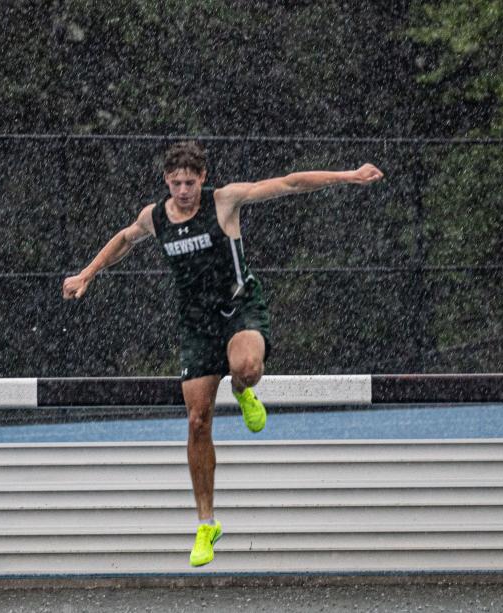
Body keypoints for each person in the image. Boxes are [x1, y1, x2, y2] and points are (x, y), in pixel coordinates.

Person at [62, 141, 383, 566]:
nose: (183, 191)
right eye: (175, 184)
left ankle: (244, 388)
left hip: (238, 308)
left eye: (190, 183)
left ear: (203, 178)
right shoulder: (155, 217)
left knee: (246, 366)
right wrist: (88, 272)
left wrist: (349, 175)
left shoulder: (225, 202)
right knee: (197, 421)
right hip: (196, 324)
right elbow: (125, 239)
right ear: (166, 181)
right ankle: (206, 524)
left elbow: (289, 184)